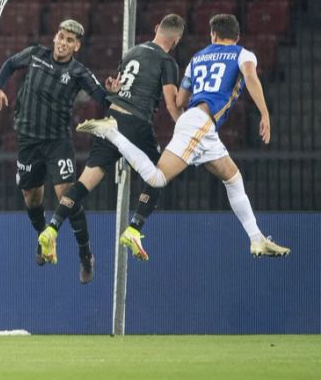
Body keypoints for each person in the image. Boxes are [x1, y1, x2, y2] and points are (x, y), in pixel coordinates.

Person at [76, 14, 290, 258]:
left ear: (213, 35)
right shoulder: (243, 54)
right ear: (237, 36)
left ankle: (257, 239)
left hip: (197, 124)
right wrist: (264, 113)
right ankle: (112, 133)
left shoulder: (197, 59)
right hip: (200, 124)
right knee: (157, 178)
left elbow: (179, 101)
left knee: (233, 178)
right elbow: (251, 78)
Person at [38, 15, 186, 265]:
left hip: (114, 115)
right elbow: (171, 104)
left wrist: (113, 89)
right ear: (177, 39)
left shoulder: (133, 51)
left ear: (156, 28)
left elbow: (117, 87)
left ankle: (52, 227)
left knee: (84, 183)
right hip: (137, 123)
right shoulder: (166, 61)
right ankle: (135, 229)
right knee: (159, 177)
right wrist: (185, 129)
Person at [0, 20, 117, 282]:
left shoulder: (79, 71)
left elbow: (101, 97)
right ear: (55, 37)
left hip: (57, 142)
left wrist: (113, 95)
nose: (63, 43)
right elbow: (10, 64)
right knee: (31, 198)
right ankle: (43, 238)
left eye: (70, 40)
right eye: (61, 37)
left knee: (67, 196)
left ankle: (85, 254)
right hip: (28, 141)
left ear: (76, 46)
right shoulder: (36, 54)